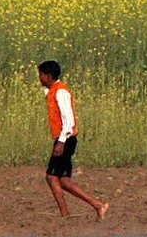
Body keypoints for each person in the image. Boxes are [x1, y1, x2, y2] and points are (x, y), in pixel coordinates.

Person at [39, 61, 110, 219]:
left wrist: (61, 141)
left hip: (66, 139)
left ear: (49, 76)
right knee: (63, 180)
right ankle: (97, 206)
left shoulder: (61, 92)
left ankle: (67, 215)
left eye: (41, 75)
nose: (40, 78)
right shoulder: (52, 91)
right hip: (64, 138)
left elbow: (69, 120)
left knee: (51, 177)